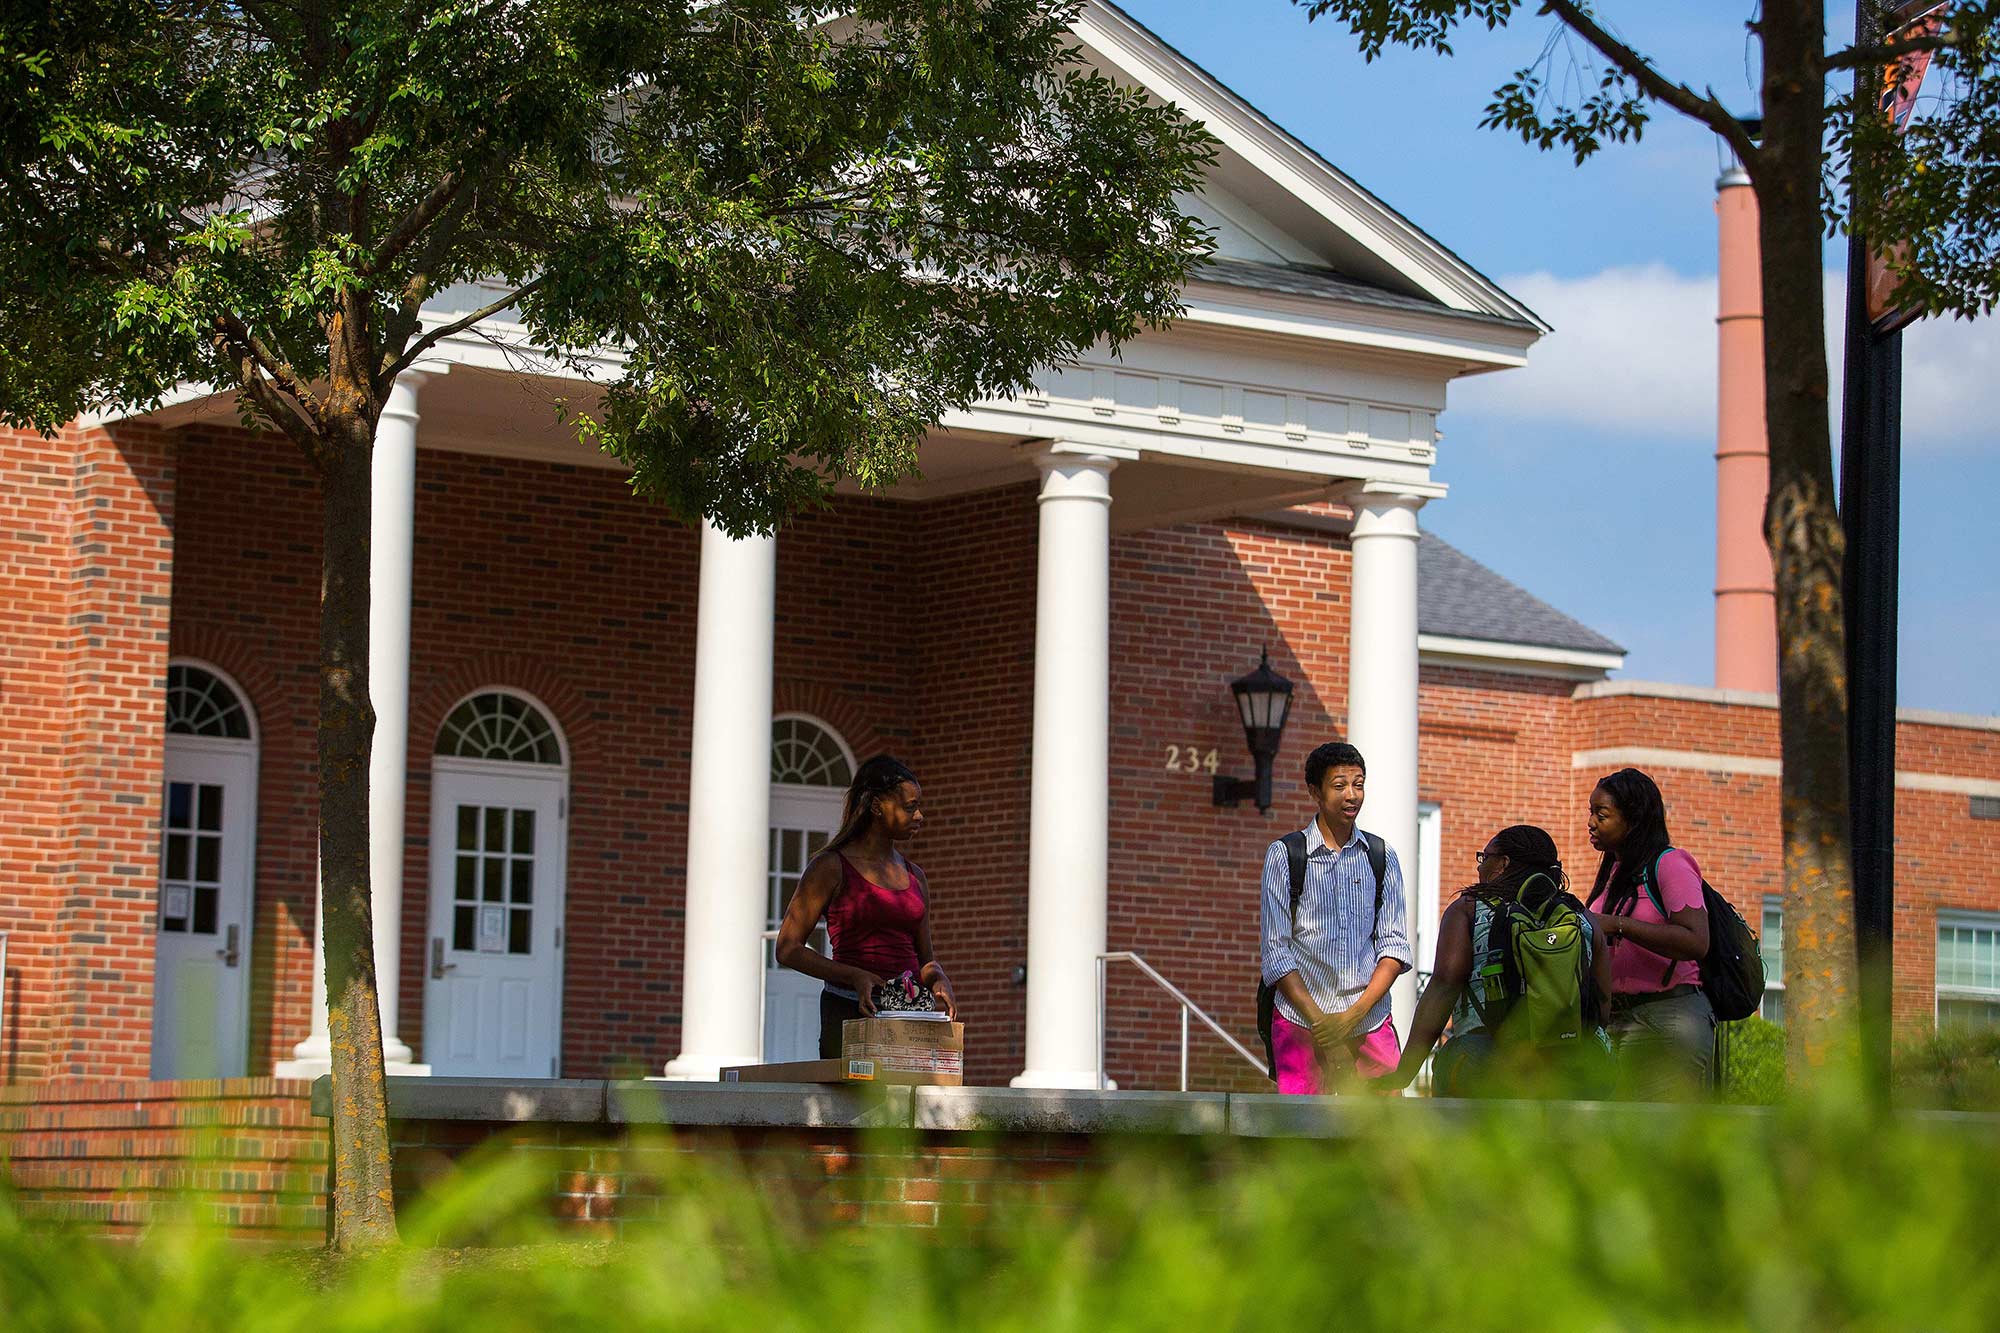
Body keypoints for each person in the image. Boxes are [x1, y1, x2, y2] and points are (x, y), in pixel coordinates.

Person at [1382, 825, 1613, 1098]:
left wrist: (1405, 1071)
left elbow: (1444, 986)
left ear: (1502, 864)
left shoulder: (1469, 908)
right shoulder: (1581, 918)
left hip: (1486, 1060)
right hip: (1576, 1066)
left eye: (1485, 857)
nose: (1480, 868)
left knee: (1453, 1069)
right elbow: (1602, 1008)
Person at [774, 755, 957, 1059]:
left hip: (908, 1018)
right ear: (877, 807)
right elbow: (787, 948)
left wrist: (938, 978)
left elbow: (925, 960)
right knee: (857, 1107)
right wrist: (854, 976)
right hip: (850, 1012)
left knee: (904, 1108)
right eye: (910, 807)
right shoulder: (830, 867)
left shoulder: (916, 877)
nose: (920, 816)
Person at [1259, 741, 1412, 1095]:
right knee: (1301, 1136)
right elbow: (1276, 952)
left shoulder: (1381, 856)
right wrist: (1321, 1022)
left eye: (1358, 784)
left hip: (1369, 1021)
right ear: (1315, 791)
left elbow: (1393, 946)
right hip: (1300, 1022)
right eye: (1340, 785)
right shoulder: (1285, 856)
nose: (1352, 795)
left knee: (1386, 1131)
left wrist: (1353, 1016)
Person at [1583, 767, 1714, 1099]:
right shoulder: (1613, 871)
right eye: (1591, 813)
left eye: (1602, 814)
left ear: (1633, 820)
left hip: (1667, 1019)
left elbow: (1696, 940)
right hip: (1618, 1020)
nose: (1591, 823)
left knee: (1654, 1135)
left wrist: (1618, 925)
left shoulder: (1671, 864)